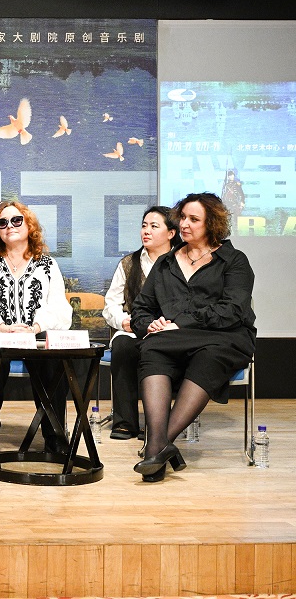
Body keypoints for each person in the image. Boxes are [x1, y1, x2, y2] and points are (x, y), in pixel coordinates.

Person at [131, 192, 255, 482]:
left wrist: (179, 324)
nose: (184, 224)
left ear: (212, 223)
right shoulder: (166, 263)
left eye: (193, 219)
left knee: (209, 355)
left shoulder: (234, 261)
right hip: (174, 339)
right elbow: (141, 309)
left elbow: (232, 311)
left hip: (225, 336)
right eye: (183, 217)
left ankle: (155, 447)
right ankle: (160, 449)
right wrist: (151, 324)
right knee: (152, 347)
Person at [0, 200, 73, 454]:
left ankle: (54, 435)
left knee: (52, 346)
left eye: (16, 220)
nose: (9, 226)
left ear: (29, 225)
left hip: (34, 337)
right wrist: (2, 327)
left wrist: (34, 328)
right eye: (3, 223)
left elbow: (59, 308)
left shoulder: (48, 265)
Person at [102, 206, 180, 440]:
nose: (146, 231)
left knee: (163, 351)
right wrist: (124, 322)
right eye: (144, 225)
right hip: (133, 329)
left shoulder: (181, 262)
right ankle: (125, 422)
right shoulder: (129, 263)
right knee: (122, 346)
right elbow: (110, 305)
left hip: (169, 332)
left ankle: (158, 424)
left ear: (171, 233)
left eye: (154, 226)